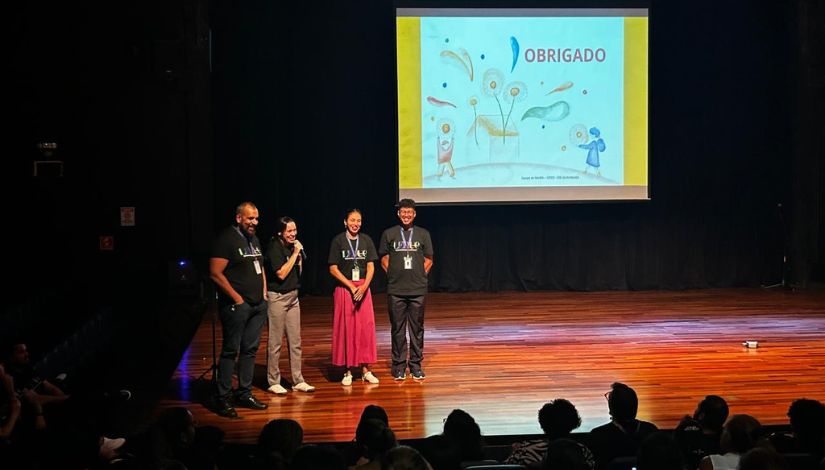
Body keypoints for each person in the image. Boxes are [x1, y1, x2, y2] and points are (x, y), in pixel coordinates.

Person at [209, 202, 269, 418]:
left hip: (257, 305)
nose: (254, 222)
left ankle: (244, 392)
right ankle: (223, 398)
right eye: (250, 218)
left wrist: (263, 294)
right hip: (237, 306)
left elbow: (260, 266)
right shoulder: (226, 239)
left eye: (256, 218)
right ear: (239, 218)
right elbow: (215, 273)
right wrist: (237, 299)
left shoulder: (254, 239)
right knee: (230, 351)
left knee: (250, 350)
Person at [379, 199, 433, 381]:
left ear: (414, 214)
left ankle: (416, 365)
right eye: (403, 212)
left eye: (409, 212)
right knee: (398, 329)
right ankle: (399, 366)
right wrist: (393, 275)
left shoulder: (423, 234)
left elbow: (429, 259)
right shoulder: (389, 233)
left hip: (417, 290)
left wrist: (420, 276)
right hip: (396, 289)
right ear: (398, 214)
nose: (406, 215)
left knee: (417, 329)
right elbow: (384, 258)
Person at [328, 209, 379, 386]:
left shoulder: (366, 240)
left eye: (358, 220)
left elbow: (371, 266)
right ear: (345, 222)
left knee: (365, 329)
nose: (355, 223)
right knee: (347, 328)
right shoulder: (338, 241)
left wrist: (364, 287)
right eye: (352, 220)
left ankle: (366, 370)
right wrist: (350, 286)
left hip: (363, 289)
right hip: (345, 289)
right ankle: (348, 371)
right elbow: (333, 268)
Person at [265, 216, 315, 394]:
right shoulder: (274, 248)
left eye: (295, 230)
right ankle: (273, 381)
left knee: (295, 342)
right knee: (275, 342)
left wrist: (298, 256)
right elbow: (281, 274)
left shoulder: (293, 247)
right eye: (289, 231)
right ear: (280, 232)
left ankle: (297, 380)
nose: (293, 234)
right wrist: (295, 254)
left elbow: (297, 273)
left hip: (293, 297)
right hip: (278, 298)